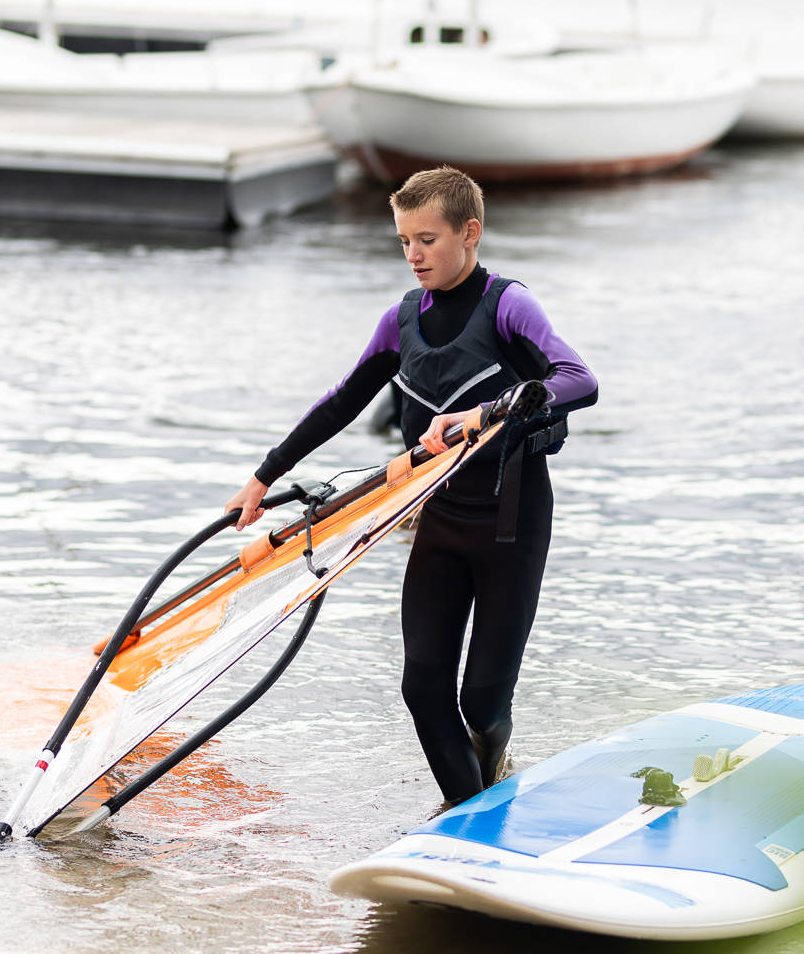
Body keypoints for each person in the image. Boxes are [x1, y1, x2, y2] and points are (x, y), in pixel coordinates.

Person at [224, 167, 598, 805]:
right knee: (422, 688)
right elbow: (343, 401)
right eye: (404, 241)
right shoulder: (401, 321)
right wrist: (264, 474)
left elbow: (579, 379)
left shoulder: (509, 305)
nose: (413, 255)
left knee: (481, 701)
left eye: (427, 239)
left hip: (512, 519)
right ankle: (466, 810)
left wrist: (489, 412)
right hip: (439, 519)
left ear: (469, 233)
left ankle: (492, 758)